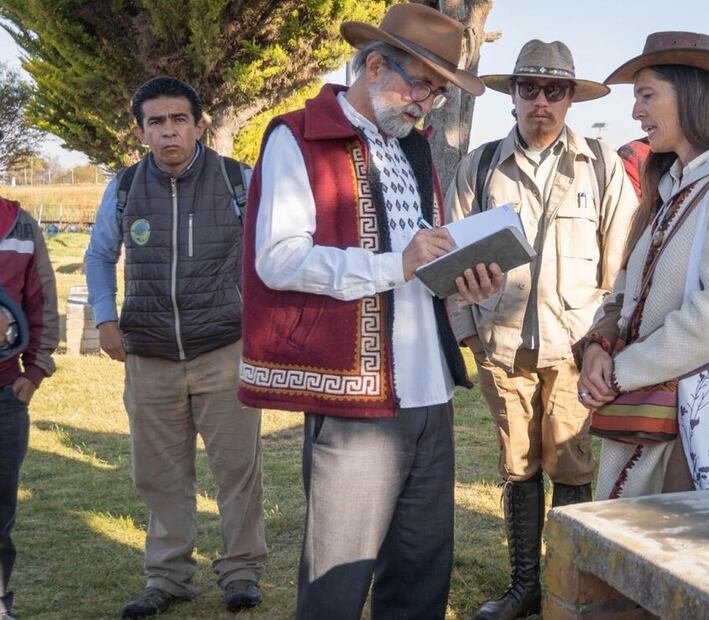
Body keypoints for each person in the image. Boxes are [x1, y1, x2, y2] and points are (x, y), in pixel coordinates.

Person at [236, 5, 497, 618]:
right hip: (355, 396)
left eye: (437, 92)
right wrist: (393, 264)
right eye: (422, 85)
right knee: (339, 574)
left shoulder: (416, 152)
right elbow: (278, 259)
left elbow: (419, 265)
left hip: (429, 389)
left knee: (423, 567)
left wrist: (462, 283)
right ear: (375, 65)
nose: (426, 103)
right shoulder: (297, 136)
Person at [445, 39, 639, 620]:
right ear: (513, 96)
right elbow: (450, 264)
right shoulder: (478, 167)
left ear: (571, 99)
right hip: (502, 351)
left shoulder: (603, 166)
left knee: (573, 468)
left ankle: (570, 588)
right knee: (518, 467)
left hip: (574, 351)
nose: (541, 102)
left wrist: (603, 341)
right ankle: (525, 587)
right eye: (529, 88)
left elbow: (623, 267)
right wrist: (471, 335)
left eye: (555, 91)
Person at [84, 77, 267, 617]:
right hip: (148, 354)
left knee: (237, 469)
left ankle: (241, 572)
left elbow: (276, 252)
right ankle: (168, 578)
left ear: (199, 124)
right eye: (156, 122)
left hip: (223, 349)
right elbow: (98, 256)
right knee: (158, 474)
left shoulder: (241, 181)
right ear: (141, 131)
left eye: (179, 120)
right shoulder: (121, 188)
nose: (169, 132)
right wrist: (104, 318)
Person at [577, 31, 709, 499]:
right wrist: (597, 349)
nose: (635, 112)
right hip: (654, 410)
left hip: (699, 424)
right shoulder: (671, 185)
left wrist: (624, 370)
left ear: (691, 95)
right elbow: (627, 290)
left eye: (647, 96)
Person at [0, 200, 57, 620]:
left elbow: (42, 301)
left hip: (5, 394)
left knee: (0, 510)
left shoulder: (20, 225)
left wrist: (35, 369)